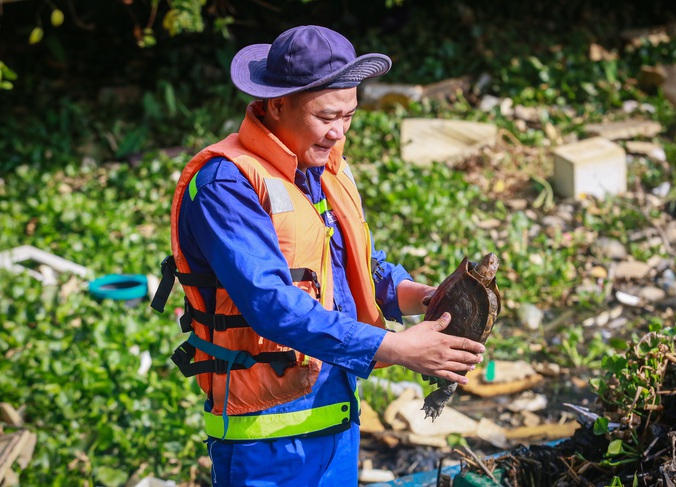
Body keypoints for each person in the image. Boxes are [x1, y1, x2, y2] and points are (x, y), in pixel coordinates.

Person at [151, 24, 486, 486]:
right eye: (326, 116)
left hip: (337, 426)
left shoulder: (319, 168)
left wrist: (423, 296)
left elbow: (351, 270)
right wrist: (398, 348)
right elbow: (273, 306)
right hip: (267, 445)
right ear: (275, 104)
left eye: (348, 115)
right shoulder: (225, 186)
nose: (338, 132)